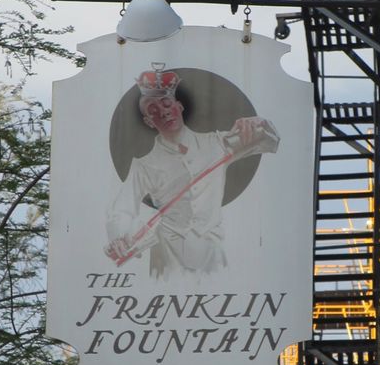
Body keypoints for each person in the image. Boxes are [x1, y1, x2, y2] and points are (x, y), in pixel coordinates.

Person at [105, 64, 280, 278]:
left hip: (213, 251)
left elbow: (271, 141)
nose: (163, 111)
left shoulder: (217, 144)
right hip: (167, 255)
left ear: (179, 106)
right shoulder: (144, 165)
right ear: (149, 121)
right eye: (153, 110)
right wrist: (120, 237)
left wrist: (257, 122)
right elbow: (121, 210)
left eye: (167, 103)